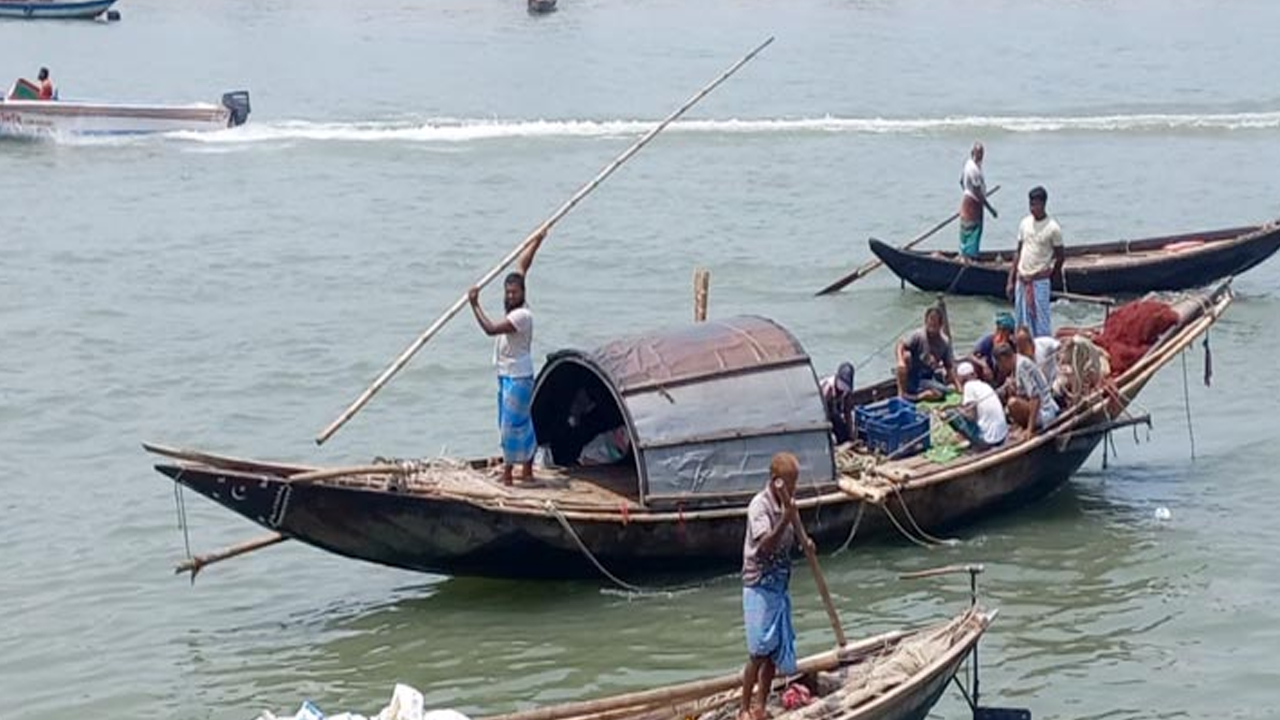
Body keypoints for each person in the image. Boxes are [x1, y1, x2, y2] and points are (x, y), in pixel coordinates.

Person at [467, 229, 547, 485]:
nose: (510, 296)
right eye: (508, 292)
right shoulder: (514, 305)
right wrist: (538, 240)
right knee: (515, 422)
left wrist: (474, 304)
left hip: (519, 376)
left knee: (511, 426)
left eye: (514, 293)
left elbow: (490, 330)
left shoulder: (522, 316)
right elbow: (523, 265)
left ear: (522, 294)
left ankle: (509, 473)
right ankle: (526, 470)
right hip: (506, 375)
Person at [740, 452, 813, 720]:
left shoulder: (789, 504)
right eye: (789, 484)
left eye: (795, 485)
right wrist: (786, 517)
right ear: (776, 482)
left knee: (772, 652)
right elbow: (765, 546)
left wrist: (807, 543)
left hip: (780, 583)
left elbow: (797, 536)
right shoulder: (759, 506)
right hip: (759, 583)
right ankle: (744, 708)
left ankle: (761, 706)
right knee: (758, 650)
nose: (793, 490)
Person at [1006, 186, 1064, 338]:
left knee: (1041, 323)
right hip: (1022, 279)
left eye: (1035, 204)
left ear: (1043, 204)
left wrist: (1052, 275)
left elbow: (1060, 256)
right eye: (1030, 204)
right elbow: (1018, 251)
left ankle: (1042, 355)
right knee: (1021, 323)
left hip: (1039, 281)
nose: (1032, 208)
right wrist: (1010, 280)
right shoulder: (1025, 223)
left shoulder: (1053, 228)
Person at [994, 342, 1059, 437]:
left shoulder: (1022, 367)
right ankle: (1021, 426)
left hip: (1045, 412)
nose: (1000, 368)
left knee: (1012, 403)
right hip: (1039, 409)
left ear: (1004, 360)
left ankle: (1029, 428)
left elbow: (1035, 398)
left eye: (999, 364)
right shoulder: (1016, 365)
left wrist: (1030, 429)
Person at [896, 306, 958, 402]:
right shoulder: (918, 335)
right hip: (911, 375)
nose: (932, 323)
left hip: (926, 378)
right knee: (906, 356)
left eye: (936, 321)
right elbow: (900, 344)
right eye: (931, 319)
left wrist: (958, 386)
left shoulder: (944, 342)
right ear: (926, 321)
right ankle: (902, 394)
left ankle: (916, 397)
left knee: (943, 392)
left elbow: (949, 367)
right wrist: (900, 361)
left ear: (941, 324)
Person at [950, 361, 1008, 449]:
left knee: (950, 414)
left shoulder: (968, 386)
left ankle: (974, 443)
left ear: (961, 379)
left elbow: (971, 416)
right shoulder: (984, 385)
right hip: (1002, 435)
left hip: (988, 439)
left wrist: (958, 411)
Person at [958, 141, 998, 258]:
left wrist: (966, 193)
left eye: (982, 154)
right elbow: (977, 193)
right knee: (972, 231)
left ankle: (966, 256)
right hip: (973, 205)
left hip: (968, 201)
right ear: (972, 153)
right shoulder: (973, 169)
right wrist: (991, 210)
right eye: (978, 153)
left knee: (968, 231)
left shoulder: (970, 164)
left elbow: (961, 181)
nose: (980, 156)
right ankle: (969, 258)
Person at [969, 311, 1016, 383]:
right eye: (999, 329)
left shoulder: (1012, 344)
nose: (1001, 333)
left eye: (1004, 330)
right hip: (989, 372)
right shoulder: (989, 340)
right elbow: (971, 355)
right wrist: (984, 365)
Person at [820, 362, 856, 444]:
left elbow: (847, 412)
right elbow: (821, 414)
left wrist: (851, 434)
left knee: (844, 435)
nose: (842, 388)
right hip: (821, 412)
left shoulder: (847, 391)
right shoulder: (827, 388)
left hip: (834, 411)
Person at [1014, 325, 1060, 389]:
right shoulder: (1019, 360)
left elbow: (1059, 346)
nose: (1021, 352)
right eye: (1019, 347)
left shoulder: (1044, 343)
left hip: (1052, 381)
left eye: (1024, 347)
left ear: (1031, 344)